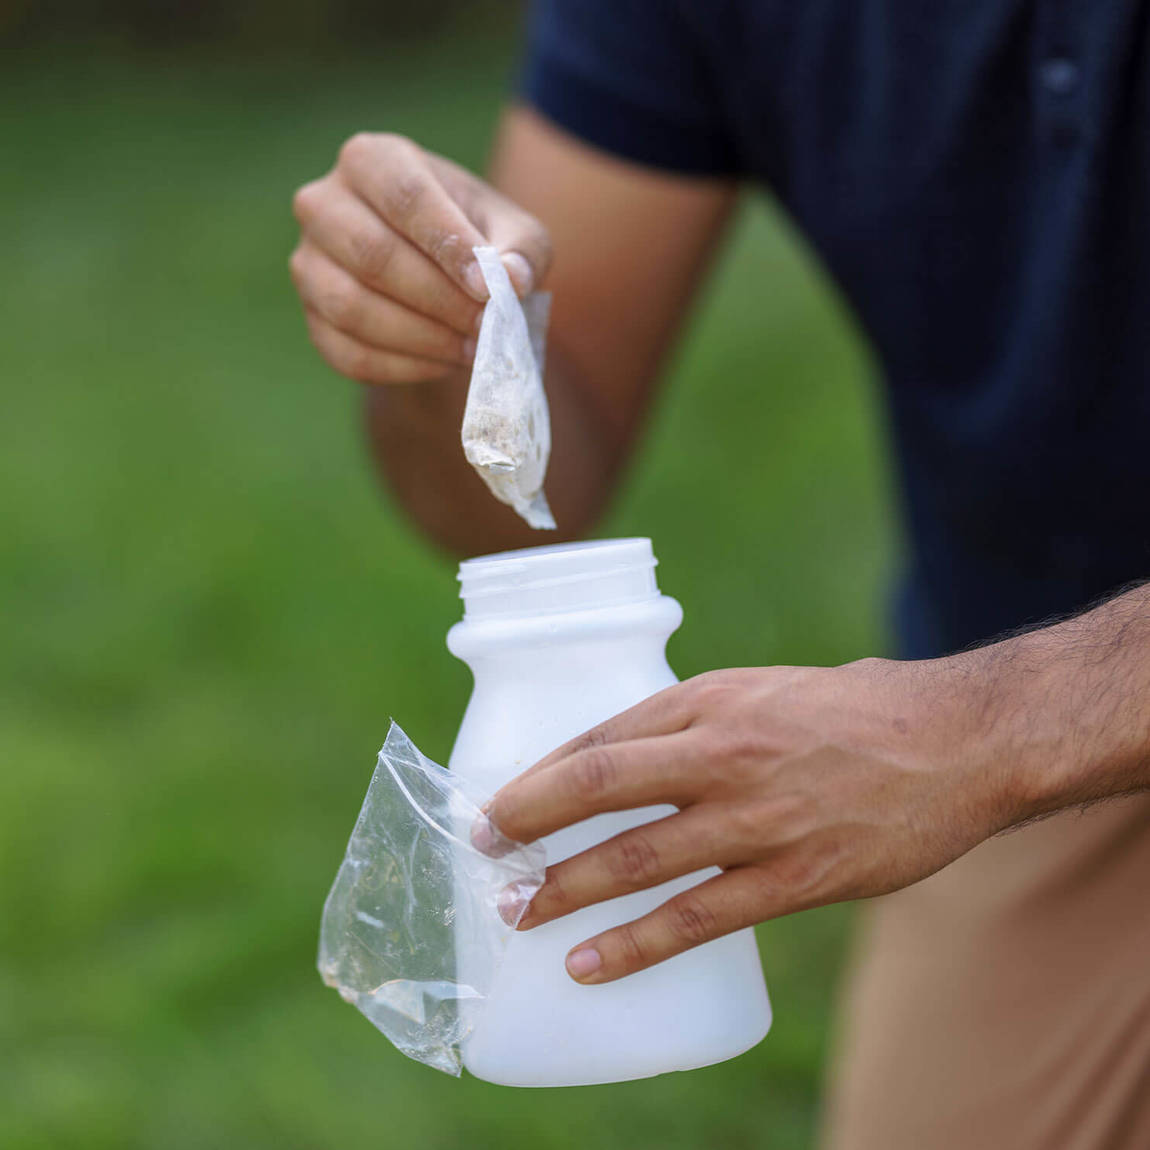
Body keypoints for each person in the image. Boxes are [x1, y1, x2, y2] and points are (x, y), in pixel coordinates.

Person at [289, 3, 1150, 1146]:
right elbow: (523, 514)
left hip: (1017, 717)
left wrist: (989, 729)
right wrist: (440, 340)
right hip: (1036, 706)